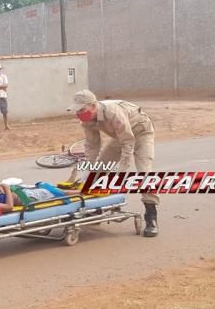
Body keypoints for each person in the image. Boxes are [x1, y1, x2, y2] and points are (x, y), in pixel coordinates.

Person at [68, 90, 160, 238]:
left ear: (93, 105)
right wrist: (88, 171)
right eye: (77, 110)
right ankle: (97, 208)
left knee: (144, 173)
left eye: (82, 110)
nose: (79, 113)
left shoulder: (113, 113)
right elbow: (92, 146)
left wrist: (121, 172)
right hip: (121, 137)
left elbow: (128, 143)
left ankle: (151, 216)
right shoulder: (86, 119)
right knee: (99, 169)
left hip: (141, 134)